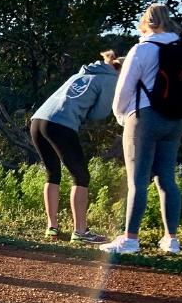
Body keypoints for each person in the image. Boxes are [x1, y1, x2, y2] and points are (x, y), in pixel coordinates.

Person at [99, 4, 182, 255]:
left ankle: (130, 239)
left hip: (145, 117)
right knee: (167, 178)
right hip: (174, 120)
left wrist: (120, 116)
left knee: (137, 179)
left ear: (146, 22)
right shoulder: (179, 50)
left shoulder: (141, 50)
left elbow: (124, 90)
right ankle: (171, 239)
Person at [29, 51, 121, 243]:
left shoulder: (81, 74)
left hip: (38, 121)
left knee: (52, 173)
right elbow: (99, 114)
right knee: (81, 176)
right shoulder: (111, 80)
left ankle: (51, 228)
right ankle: (80, 232)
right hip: (60, 124)